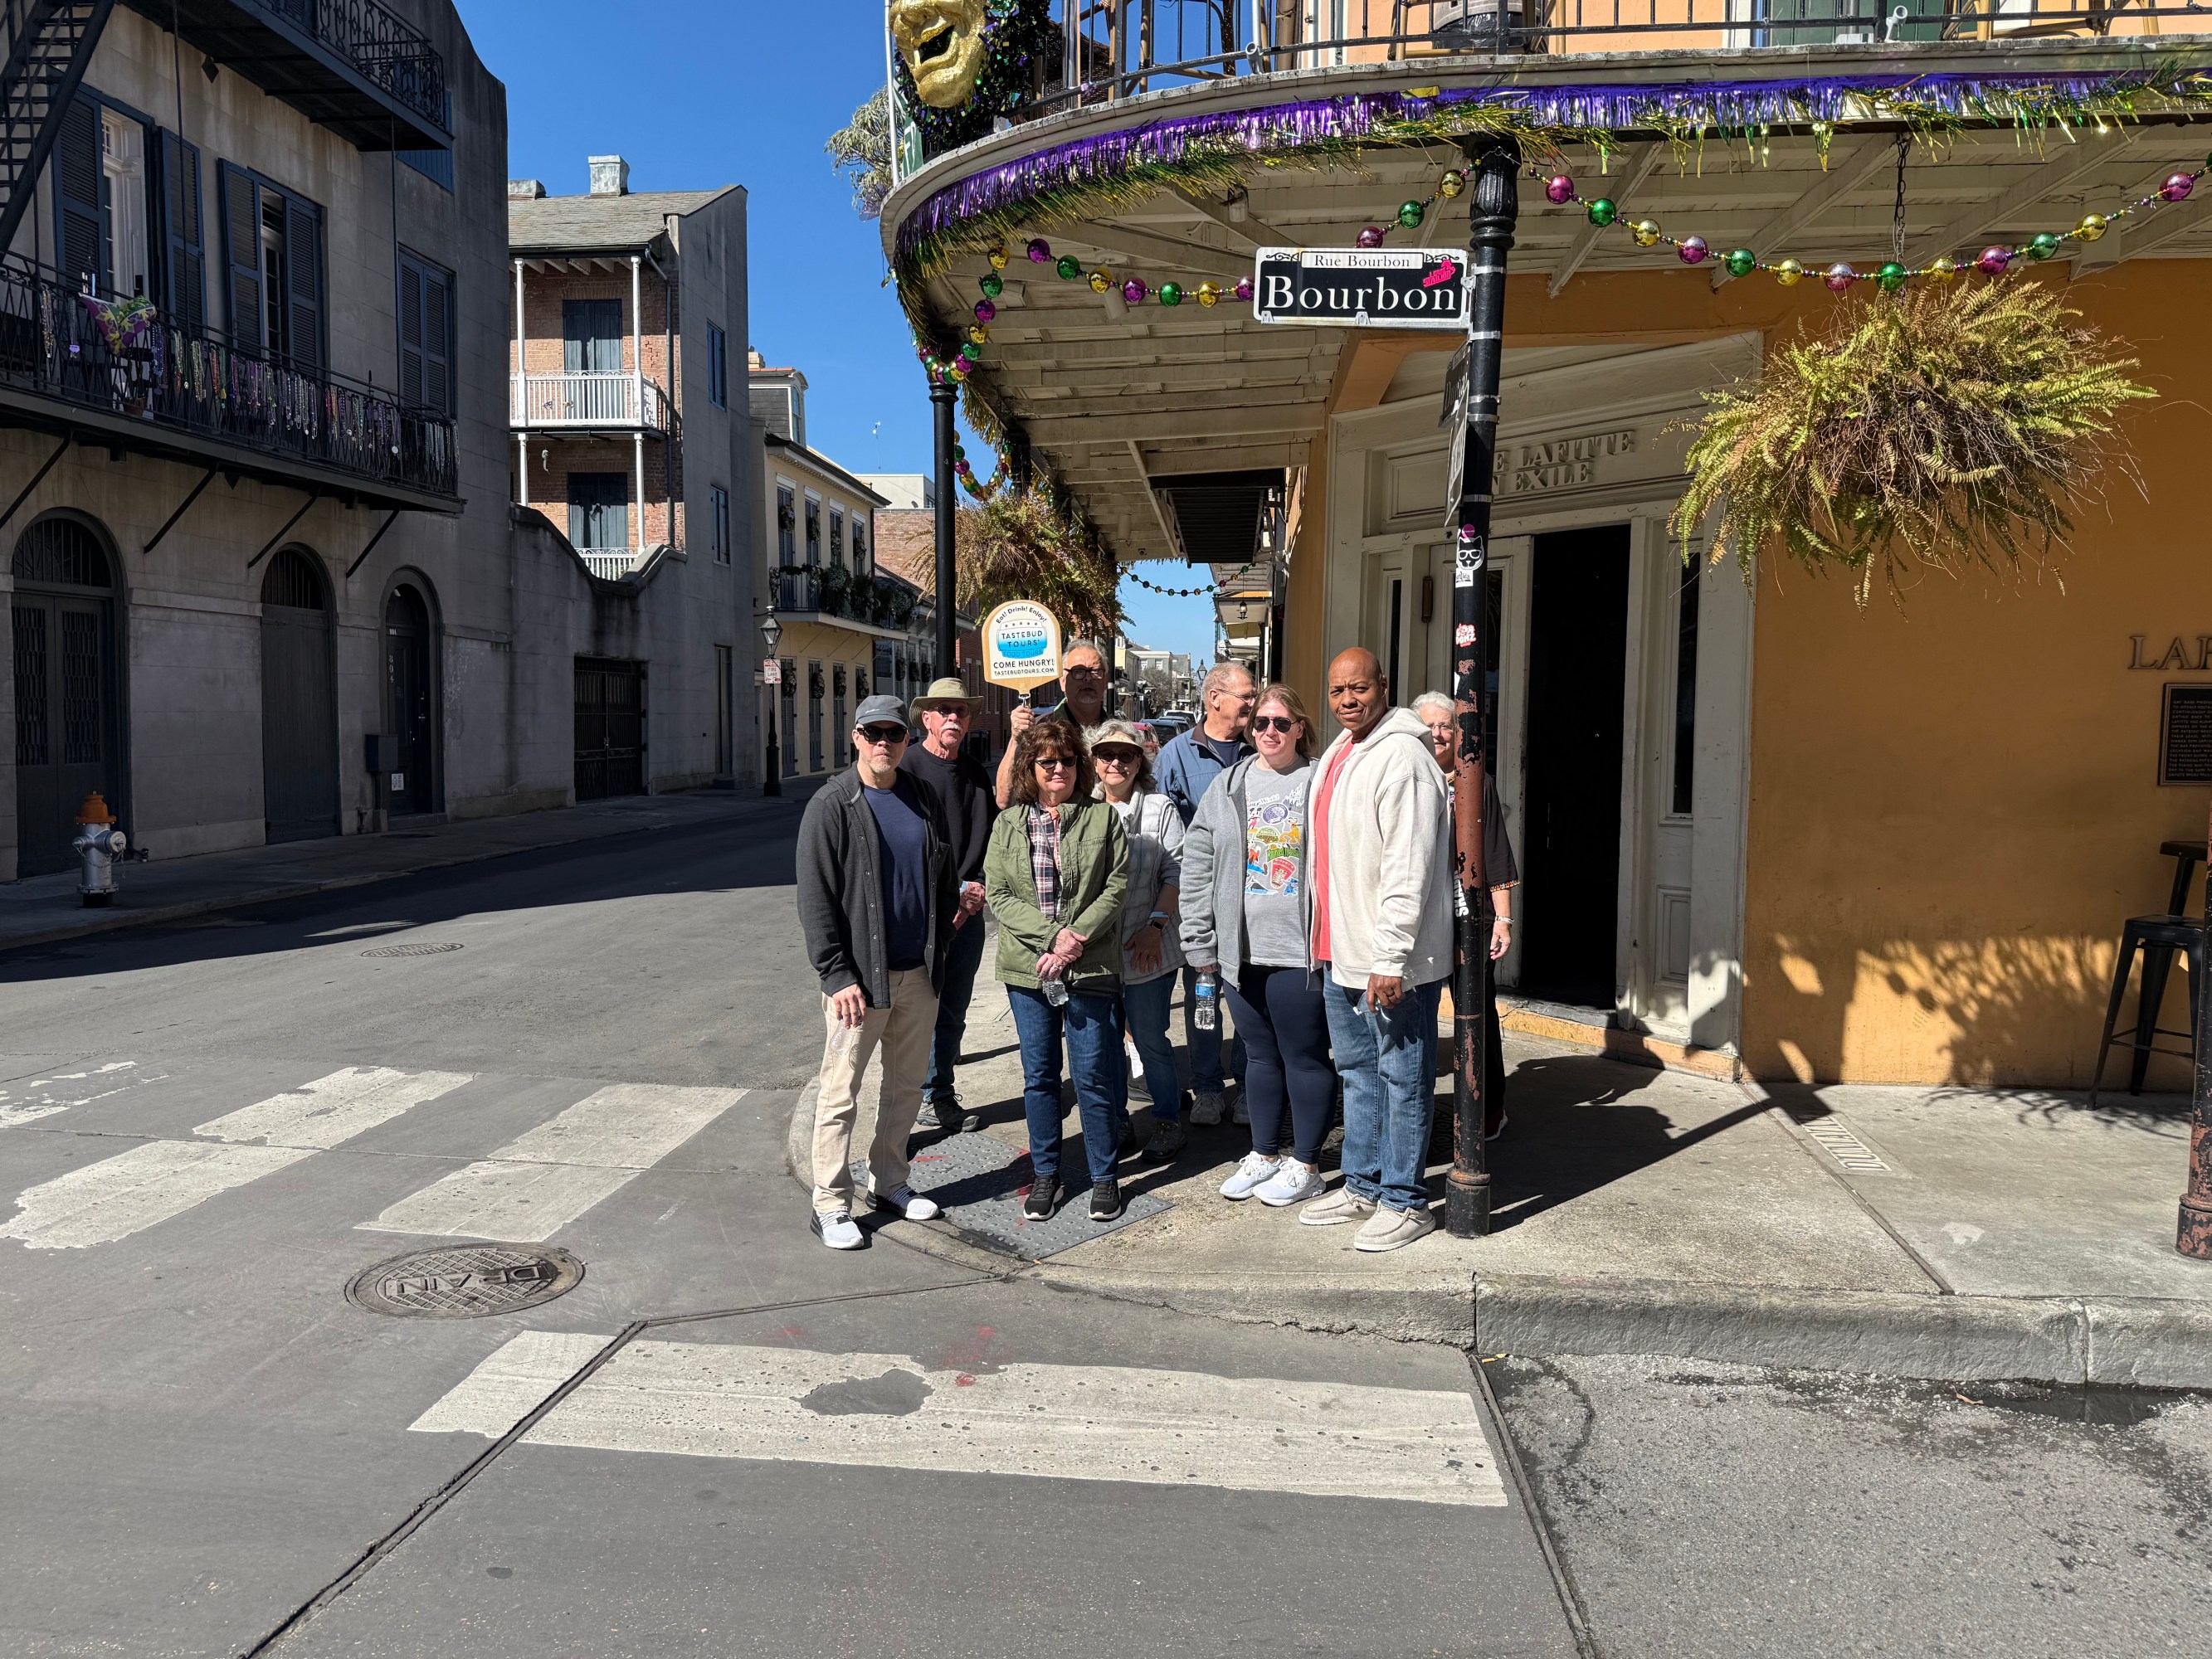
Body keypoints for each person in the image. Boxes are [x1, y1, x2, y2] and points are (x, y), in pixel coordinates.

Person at [1298, 649, 1452, 1253]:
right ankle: (1362, 1183)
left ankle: (1406, 1200)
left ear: (1383, 686)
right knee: (1359, 1073)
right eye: (1337, 691)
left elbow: (1406, 865)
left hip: (1389, 959)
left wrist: (1392, 958)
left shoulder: (1403, 755)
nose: (1347, 701)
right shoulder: (1340, 751)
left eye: (1358, 688)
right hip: (1342, 950)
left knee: (1403, 1076)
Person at [794, 695, 959, 1250]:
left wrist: (944, 946)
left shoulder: (922, 796)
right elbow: (815, 896)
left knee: (906, 1087)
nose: (883, 743)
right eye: (873, 733)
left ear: (907, 741)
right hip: (859, 982)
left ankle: (889, 1181)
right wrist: (836, 973)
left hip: (919, 973)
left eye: (894, 734)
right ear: (856, 738)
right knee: (841, 1093)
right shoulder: (833, 804)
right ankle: (830, 1203)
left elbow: (942, 877)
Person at [1182, 684, 1333, 1208]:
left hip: (1300, 952)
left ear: (1300, 729)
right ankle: (1264, 1154)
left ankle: (1306, 1162)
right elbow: (1197, 866)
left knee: (1305, 1057)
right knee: (1258, 1058)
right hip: (1240, 952)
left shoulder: (1319, 784)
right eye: (1262, 723)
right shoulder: (1226, 787)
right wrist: (1197, 939)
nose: (1270, 731)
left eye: (1281, 723)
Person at [984, 717, 1132, 1222]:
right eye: (1047, 761)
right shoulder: (1008, 823)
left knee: (1092, 1076)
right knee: (1040, 1076)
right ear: (1031, 766)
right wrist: (1053, 939)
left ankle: (1104, 1176)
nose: (1058, 770)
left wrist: (1074, 941)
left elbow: (1116, 886)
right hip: (1028, 971)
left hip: (1090, 969)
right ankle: (1046, 1175)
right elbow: (999, 896)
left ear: (1079, 766)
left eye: (1067, 761)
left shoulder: (1103, 820)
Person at [1153, 660, 1258, 1125]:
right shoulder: (1175, 755)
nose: (1254, 705)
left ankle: (1251, 1086)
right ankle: (1209, 1087)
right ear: (1214, 697)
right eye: (1246, 696)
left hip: (1255, 901)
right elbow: (1162, 833)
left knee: (1252, 999)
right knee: (1203, 998)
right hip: (1198, 904)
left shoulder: (1264, 748)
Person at [1413, 689, 1520, 1139]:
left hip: (1463, 921)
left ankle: (1487, 1106)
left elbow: (1495, 850)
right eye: (1430, 725)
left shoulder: (1475, 781)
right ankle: (1410, 1108)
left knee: (1475, 1013)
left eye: (1446, 726)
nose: (1437, 733)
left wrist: (1503, 919)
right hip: (1414, 921)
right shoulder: (1406, 778)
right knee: (1411, 1019)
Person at [1090, 718, 1188, 1160]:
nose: (1116, 763)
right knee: (1105, 1043)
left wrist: (1155, 926)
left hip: (1150, 946)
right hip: (1096, 953)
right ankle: (1118, 1120)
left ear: (1140, 762)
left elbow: (1176, 871)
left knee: (1150, 1039)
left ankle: (1168, 1119)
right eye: (1106, 754)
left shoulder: (1160, 808)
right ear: (1093, 762)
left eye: (1126, 755)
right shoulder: (1079, 808)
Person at [902, 676, 995, 1135]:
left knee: (954, 1008)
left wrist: (974, 888)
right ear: (926, 718)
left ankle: (938, 1091)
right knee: (918, 1008)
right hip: (920, 913)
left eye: (960, 711)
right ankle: (916, 1093)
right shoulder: (906, 770)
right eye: (943, 710)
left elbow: (990, 842)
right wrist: (947, 892)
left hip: (968, 913)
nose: (953, 717)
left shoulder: (977, 774)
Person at [996, 636, 1111, 807]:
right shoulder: (1038, 729)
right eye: (1078, 672)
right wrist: (1015, 740)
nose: (1088, 679)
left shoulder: (1118, 735)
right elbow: (1004, 800)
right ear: (1062, 682)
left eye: (1095, 672)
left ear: (1105, 681)